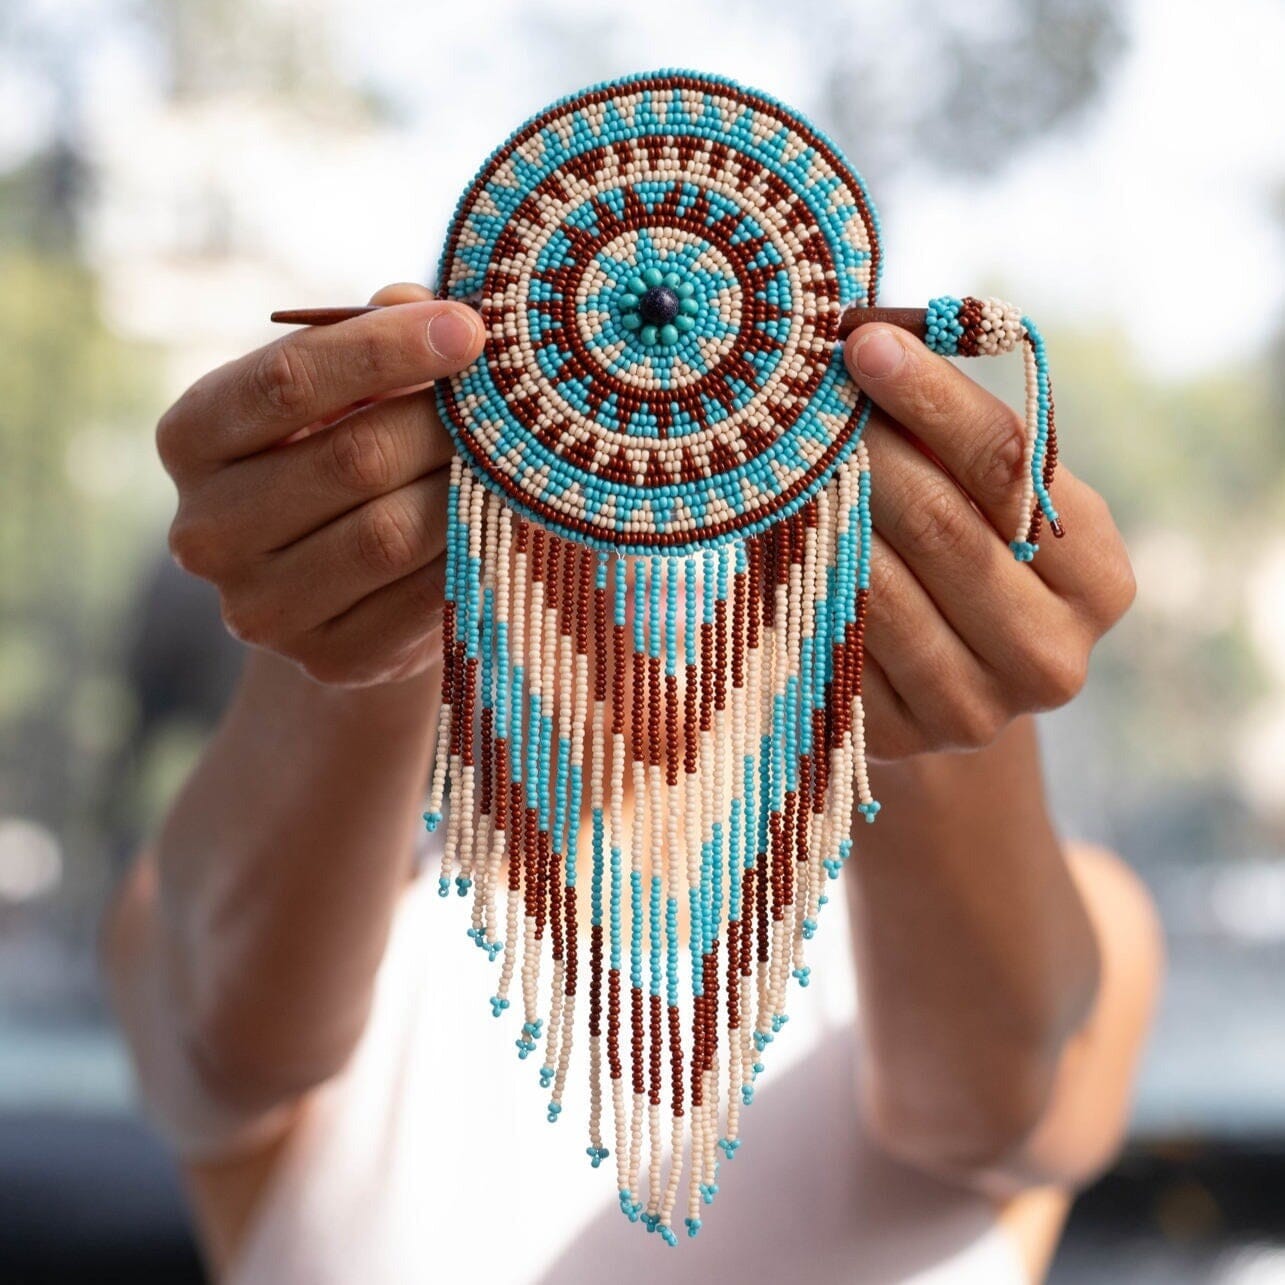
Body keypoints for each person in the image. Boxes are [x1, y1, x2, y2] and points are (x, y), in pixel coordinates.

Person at [102, 282, 1163, 1283]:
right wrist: (368, 602)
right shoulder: (269, 916)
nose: (657, 480)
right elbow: (231, 1040)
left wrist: (917, 646)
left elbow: (991, 1095)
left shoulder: (1079, 924)